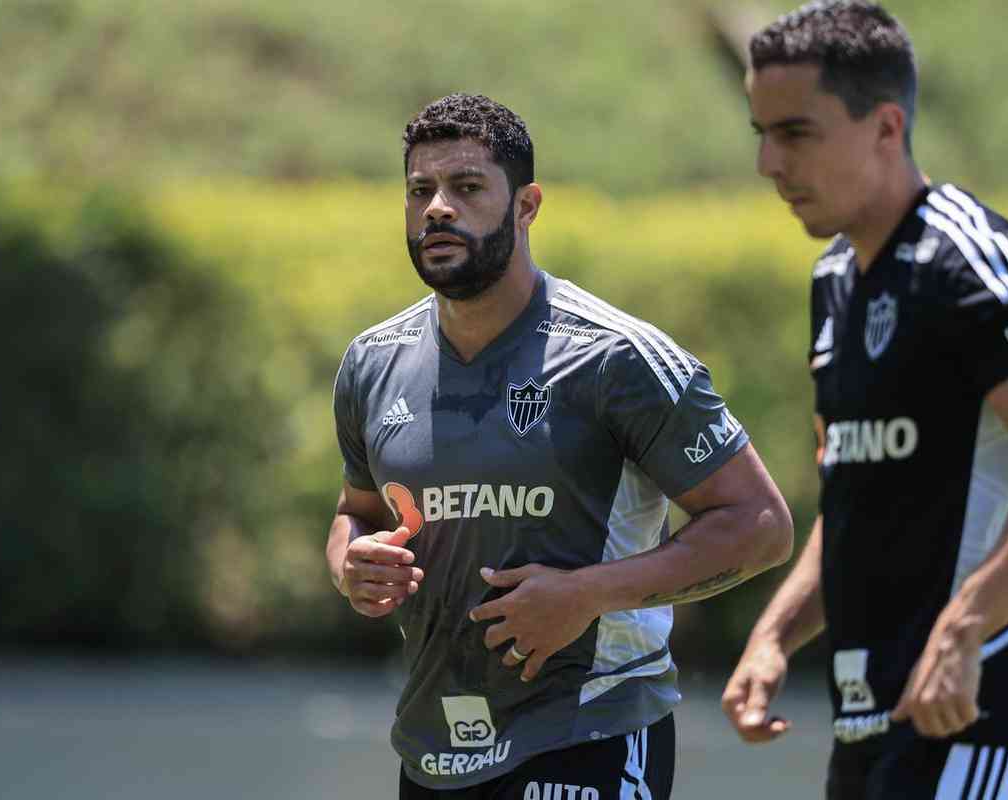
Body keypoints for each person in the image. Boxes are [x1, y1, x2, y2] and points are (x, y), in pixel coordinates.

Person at [326, 93, 793, 799]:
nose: (437, 209)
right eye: (420, 190)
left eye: (468, 187)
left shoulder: (618, 358)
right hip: (433, 749)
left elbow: (760, 527)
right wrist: (348, 563)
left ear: (527, 205)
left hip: (590, 731)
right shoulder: (371, 363)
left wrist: (586, 595)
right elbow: (355, 512)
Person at [722, 3, 1008, 798]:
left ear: (886, 125)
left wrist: (969, 623)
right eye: (761, 134)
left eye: (797, 133)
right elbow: (856, 487)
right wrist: (776, 636)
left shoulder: (968, 260)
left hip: (973, 704)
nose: (769, 164)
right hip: (871, 710)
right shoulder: (835, 281)